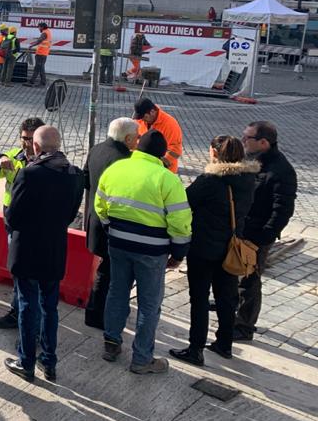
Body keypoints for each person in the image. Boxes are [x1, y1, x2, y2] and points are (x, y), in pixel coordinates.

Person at [95, 130, 192, 374]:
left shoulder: (116, 169)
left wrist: (112, 230)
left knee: (117, 293)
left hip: (118, 244)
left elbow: (100, 206)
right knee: (149, 304)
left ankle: (111, 344)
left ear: (137, 147)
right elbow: (180, 221)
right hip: (153, 251)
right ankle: (141, 359)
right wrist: (179, 252)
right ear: (161, 154)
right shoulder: (167, 179)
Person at [3, 126, 83, 381]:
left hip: (27, 249)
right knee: (50, 306)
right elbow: (71, 214)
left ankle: (25, 361)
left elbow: (13, 216)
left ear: (36, 147)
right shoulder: (74, 174)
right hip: (54, 248)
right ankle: (48, 361)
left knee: (28, 305)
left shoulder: (29, 174)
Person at [169, 136, 258, 365]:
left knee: (199, 298)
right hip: (231, 248)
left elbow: (185, 202)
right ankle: (224, 344)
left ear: (215, 153)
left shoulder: (210, 180)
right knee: (226, 297)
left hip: (204, 248)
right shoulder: (248, 179)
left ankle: (195, 348)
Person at [233, 121, 297, 342]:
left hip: (257, 234)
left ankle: (244, 326)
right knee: (233, 270)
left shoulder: (281, 170)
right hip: (240, 228)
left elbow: (283, 209)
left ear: (263, 142)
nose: (243, 141)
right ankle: (232, 304)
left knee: (249, 280)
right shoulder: (251, 159)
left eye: (247, 138)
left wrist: (265, 235)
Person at [0, 116, 45, 329]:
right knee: (18, 272)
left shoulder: (47, 162)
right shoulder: (15, 156)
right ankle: (17, 312)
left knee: (31, 276)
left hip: (36, 227)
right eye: (23, 138)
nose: (26, 143)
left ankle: (31, 321)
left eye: (30, 139)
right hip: (14, 224)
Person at [83, 118, 138, 329]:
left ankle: (95, 311)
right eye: (136, 137)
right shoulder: (125, 160)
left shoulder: (96, 149)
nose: (138, 141)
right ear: (127, 138)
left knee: (104, 270)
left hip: (95, 222)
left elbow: (86, 179)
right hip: (112, 225)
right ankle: (97, 314)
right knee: (109, 272)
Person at [133, 98, 183, 174]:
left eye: (145, 117)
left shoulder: (170, 124)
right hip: (143, 168)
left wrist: (160, 165)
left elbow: (175, 150)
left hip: (164, 171)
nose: (142, 120)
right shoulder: (140, 120)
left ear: (152, 112)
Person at [24, 22, 51, 87]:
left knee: (39, 68)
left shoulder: (44, 33)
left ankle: (41, 82)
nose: (38, 29)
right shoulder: (47, 32)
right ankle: (33, 81)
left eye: (39, 27)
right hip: (43, 53)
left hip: (41, 53)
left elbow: (40, 40)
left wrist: (32, 45)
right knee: (39, 68)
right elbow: (42, 40)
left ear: (42, 27)